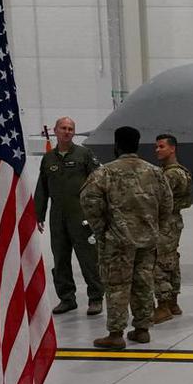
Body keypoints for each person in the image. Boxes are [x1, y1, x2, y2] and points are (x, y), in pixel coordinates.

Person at [80, 126, 172, 350]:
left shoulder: (106, 172)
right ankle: (142, 330)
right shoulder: (154, 172)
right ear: (138, 145)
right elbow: (168, 203)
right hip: (148, 240)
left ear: (117, 145)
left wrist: (102, 229)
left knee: (117, 286)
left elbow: (88, 200)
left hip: (118, 241)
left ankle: (115, 333)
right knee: (143, 283)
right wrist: (154, 227)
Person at [34, 116, 104, 315]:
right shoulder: (48, 159)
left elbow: (99, 182)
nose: (67, 131)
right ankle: (67, 298)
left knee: (89, 259)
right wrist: (38, 214)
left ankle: (95, 298)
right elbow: (42, 188)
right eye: (63, 128)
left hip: (81, 217)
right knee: (60, 259)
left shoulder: (84, 154)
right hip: (58, 218)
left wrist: (98, 212)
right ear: (55, 131)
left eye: (70, 128)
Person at [151, 133, 193, 324]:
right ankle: (173, 303)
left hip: (165, 223)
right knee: (171, 260)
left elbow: (156, 198)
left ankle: (163, 306)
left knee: (159, 263)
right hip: (173, 221)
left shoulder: (171, 174)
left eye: (161, 146)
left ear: (172, 148)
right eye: (157, 147)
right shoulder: (178, 171)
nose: (157, 150)